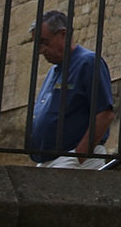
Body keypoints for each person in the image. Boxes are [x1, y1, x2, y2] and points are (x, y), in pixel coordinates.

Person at [28, 9, 115, 166]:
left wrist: (78, 156)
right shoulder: (54, 71)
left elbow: (105, 114)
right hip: (52, 159)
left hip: (72, 158)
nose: (40, 50)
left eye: (44, 42)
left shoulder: (87, 62)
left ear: (63, 35)